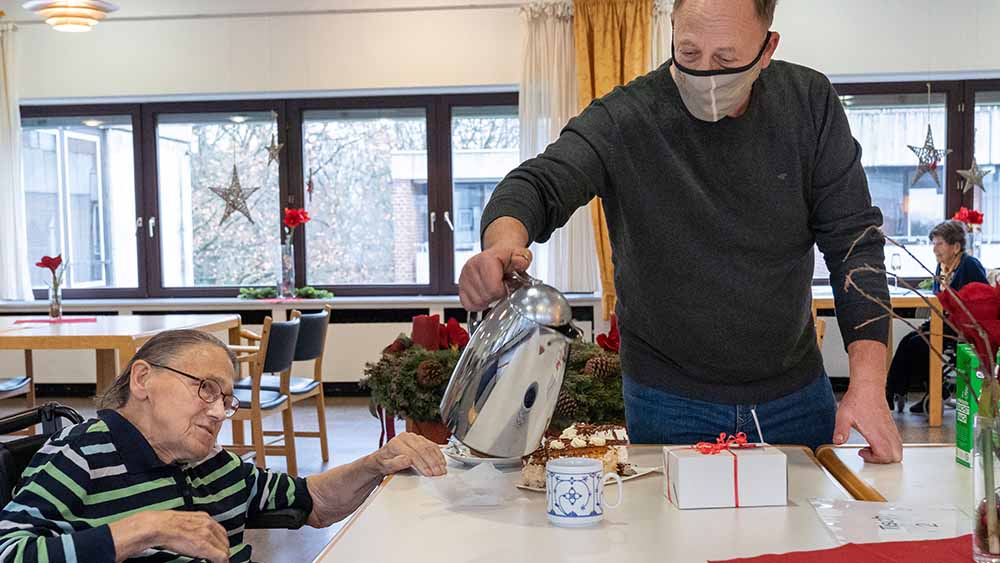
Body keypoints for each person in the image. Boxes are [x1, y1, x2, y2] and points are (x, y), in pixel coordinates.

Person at [459, 0, 903, 461]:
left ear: (767, 48)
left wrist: (869, 386)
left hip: (793, 394)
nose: (706, 76)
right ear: (671, 29)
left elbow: (854, 244)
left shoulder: (809, 104)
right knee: (673, 534)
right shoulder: (627, 117)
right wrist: (502, 244)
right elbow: (538, 182)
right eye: (689, 53)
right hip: (670, 400)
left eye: (727, 60)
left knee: (807, 533)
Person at [0, 330, 446, 563]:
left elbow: (315, 502)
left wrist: (375, 463)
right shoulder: (77, 455)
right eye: (205, 389)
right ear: (142, 379)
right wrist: (144, 530)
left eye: (226, 399)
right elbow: (10, 551)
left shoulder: (211, 463)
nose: (217, 412)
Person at [886, 220, 989, 413]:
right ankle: (895, 393)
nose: (934, 249)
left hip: (963, 329)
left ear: (956, 246)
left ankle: (928, 393)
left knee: (918, 345)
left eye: (939, 243)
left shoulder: (969, 266)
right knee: (908, 341)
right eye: (933, 243)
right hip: (942, 324)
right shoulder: (942, 268)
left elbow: (983, 302)